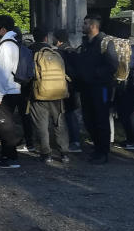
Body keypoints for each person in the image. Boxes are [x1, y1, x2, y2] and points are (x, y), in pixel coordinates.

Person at [76, 15, 119, 164]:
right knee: (89, 119)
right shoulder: (86, 43)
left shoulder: (105, 42)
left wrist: (94, 74)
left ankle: (103, 151)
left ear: (93, 26)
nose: (83, 25)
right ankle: (97, 147)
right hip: (86, 88)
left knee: (101, 118)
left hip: (101, 88)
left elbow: (113, 65)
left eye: (85, 23)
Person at [28, 28, 70, 164]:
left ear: (33, 37)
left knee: (41, 124)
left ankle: (46, 154)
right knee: (59, 123)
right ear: (46, 38)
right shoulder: (55, 52)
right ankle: (64, 153)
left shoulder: (30, 51)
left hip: (39, 93)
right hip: (57, 93)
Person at [0, 15, 24, 170]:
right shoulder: (14, 42)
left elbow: (4, 72)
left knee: (4, 125)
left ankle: (11, 157)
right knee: (6, 124)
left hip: (6, 91)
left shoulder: (6, 45)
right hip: (14, 89)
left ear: (2, 28)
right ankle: (6, 155)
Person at [53, 29, 82, 152]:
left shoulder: (59, 53)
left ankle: (69, 141)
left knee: (63, 115)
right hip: (74, 88)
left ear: (58, 40)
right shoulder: (74, 51)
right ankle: (75, 141)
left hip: (62, 87)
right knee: (72, 115)